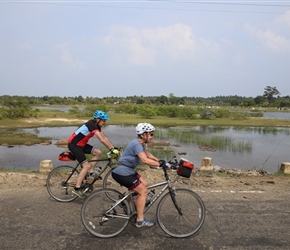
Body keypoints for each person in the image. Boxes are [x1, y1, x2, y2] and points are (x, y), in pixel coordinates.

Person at [112, 122, 166, 228]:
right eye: (151, 134)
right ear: (143, 135)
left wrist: (158, 160)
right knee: (143, 191)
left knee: (145, 183)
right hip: (122, 173)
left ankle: (125, 202)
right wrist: (160, 164)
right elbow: (145, 160)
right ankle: (140, 220)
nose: (152, 137)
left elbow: (146, 154)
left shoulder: (140, 144)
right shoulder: (136, 144)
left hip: (128, 171)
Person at [68, 110, 119, 198]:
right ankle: (77, 189)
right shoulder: (91, 124)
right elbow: (101, 140)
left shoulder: (97, 126)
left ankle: (90, 173)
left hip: (81, 145)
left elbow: (104, 137)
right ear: (97, 119)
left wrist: (113, 148)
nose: (105, 122)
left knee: (98, 152)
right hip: (74, 145)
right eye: (103, 120)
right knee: (86, 166)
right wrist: (111, 149)